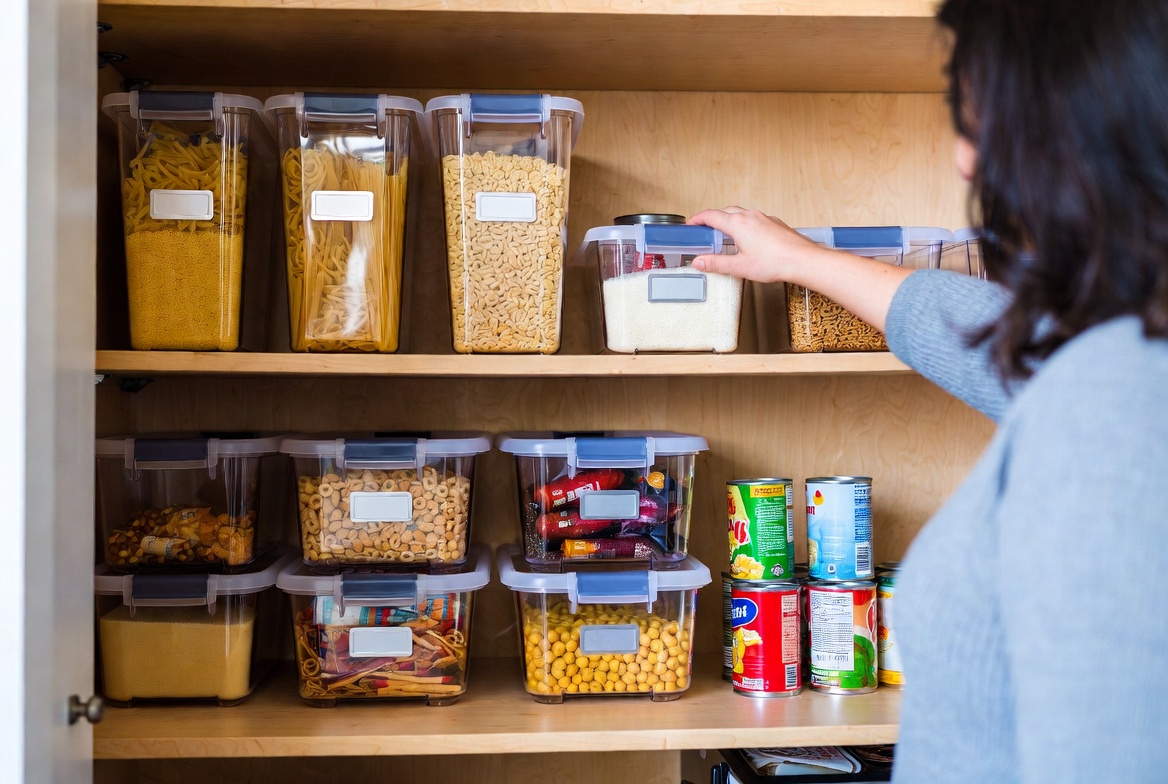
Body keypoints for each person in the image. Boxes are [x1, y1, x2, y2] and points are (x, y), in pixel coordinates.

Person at [688, 0, 1168, 781]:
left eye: (983, 120)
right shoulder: (1119, 356)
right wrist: (800, 260)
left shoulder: (1116, 405)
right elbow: (992, 338)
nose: (965, 162)